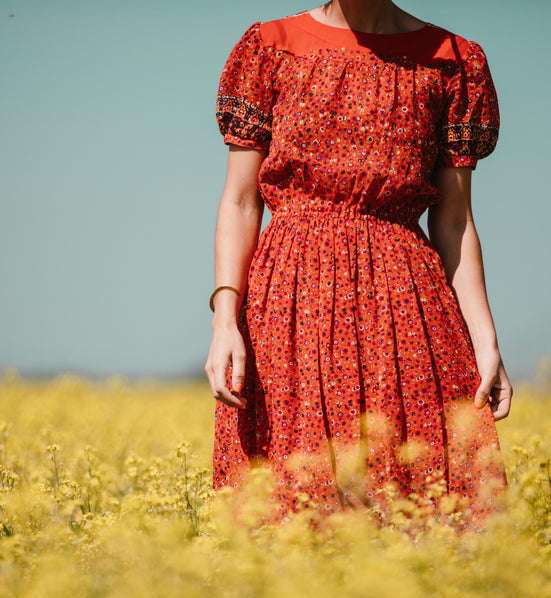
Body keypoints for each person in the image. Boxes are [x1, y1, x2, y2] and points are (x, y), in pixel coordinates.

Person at [205, 0, 512, 529]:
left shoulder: (453, 62)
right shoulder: (271, 46)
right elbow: (240, 201)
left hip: (404, 308)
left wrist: (486, 342)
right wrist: (223, 319)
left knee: (419, 494)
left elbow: (455, 223)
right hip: (289, 305)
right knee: (292, 500)